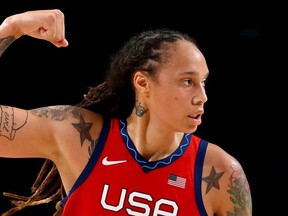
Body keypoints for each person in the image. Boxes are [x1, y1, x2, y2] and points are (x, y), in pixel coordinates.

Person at [0, 9, 252, 216]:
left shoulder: (221, 173)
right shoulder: (79, 136)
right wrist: (12, 28)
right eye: (187, 81)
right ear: (143, 83)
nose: (202, 96)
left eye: (203, 82)